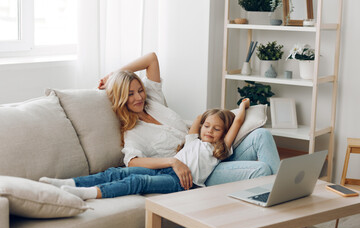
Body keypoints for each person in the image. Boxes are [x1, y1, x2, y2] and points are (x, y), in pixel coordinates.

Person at [41, 52, 280, 195]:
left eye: (139, 90)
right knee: (262, 171)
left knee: (262, 135)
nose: (138, 97)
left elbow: (151, 59)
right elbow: (133, 161)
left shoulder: (152, 100)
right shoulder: (133, 131)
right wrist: (173, 162)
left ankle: (289, 197)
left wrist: (114, 74)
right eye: (131, 94)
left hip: (213, 149)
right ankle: (281, 199)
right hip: (199, 172)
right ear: (122, 99)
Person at [39, 101, 249, 199]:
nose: (210, 131)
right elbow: (197, 119)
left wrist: (243, 106)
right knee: (117, 171)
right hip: (166, 168)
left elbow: (238, 121)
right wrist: (208, 116)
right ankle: (69, 182)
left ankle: (86, 193)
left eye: (217, 128)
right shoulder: (192, 139)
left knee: (137, 182)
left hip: (183, 182)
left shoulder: (218, 149)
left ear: (224, 133)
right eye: (207, 126)